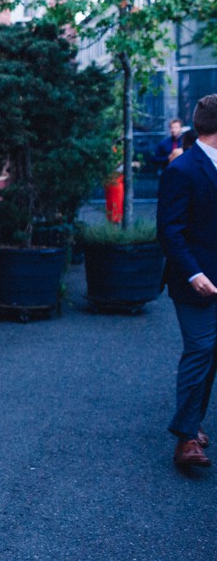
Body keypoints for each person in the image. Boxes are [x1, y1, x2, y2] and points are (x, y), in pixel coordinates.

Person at [157, 95, 217, 468]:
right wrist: (195, 274)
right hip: (194, 282)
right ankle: (185, 441)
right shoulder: (182, 169)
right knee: (200, 351)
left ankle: (193, 424)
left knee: (212, 356)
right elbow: (169, 232)